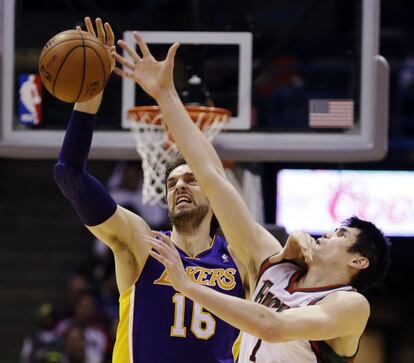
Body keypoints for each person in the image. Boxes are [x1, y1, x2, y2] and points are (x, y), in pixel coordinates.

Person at [111, 32, 391, 362]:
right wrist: (166, 95)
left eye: (341, 234)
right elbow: (213, 178)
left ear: (358, 261)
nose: (328, 233)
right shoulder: (272, 265)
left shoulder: (349, 305)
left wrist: (188, 286)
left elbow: (271, 326)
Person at [53, 17, 246, 363]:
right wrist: (91, 92)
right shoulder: (143, 245)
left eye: (191, 179)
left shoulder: (241, 261)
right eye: (172, 183)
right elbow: (70, 175)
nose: (179, 186)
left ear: (216, 197)